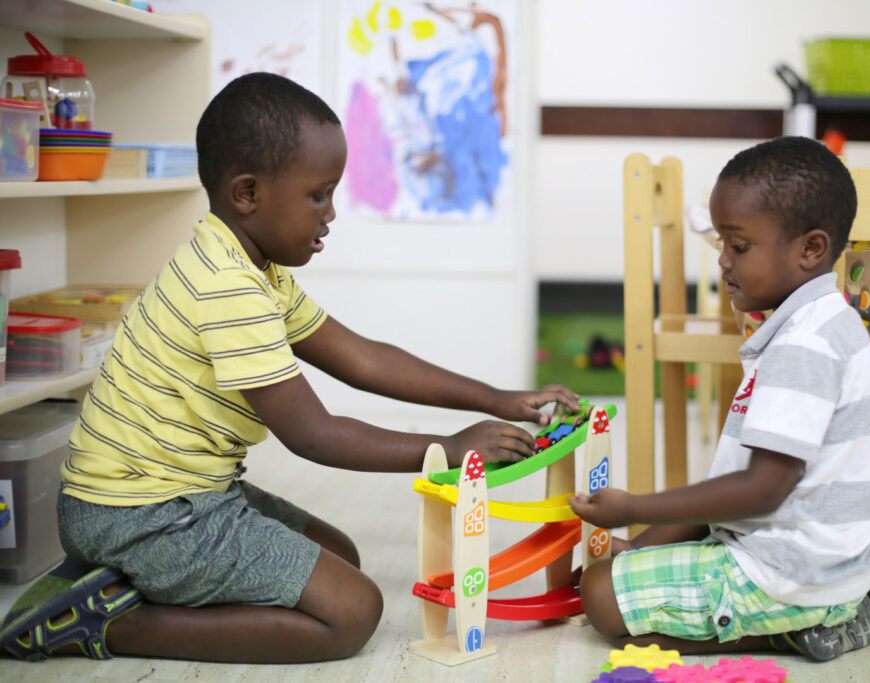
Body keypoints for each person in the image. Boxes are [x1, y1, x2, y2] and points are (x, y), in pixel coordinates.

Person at [0, 72, 579, 664]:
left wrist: (496, 398)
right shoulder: (228, 288)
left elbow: (361, 357)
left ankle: (126, 582)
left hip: (173, 496)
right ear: (247, 193)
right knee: (351, 613)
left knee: (339, 556)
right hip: (140, 514)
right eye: (318, 195)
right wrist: (447, 448)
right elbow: (313, 434)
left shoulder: (251, 267)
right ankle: (101, 625)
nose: (330, 214)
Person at [569, 136, 870, 662]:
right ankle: (840, 600)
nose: (724, 264)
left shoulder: (806, 344)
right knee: (613, 572)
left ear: (810, 249)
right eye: (722, 247)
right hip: (809, 555)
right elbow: (729, 488)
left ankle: (809, 625)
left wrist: (635, 506)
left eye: (739, 246)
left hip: (788, 572)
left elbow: (758, 491)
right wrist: (639, 546)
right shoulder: (817, 322)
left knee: (599, 596)